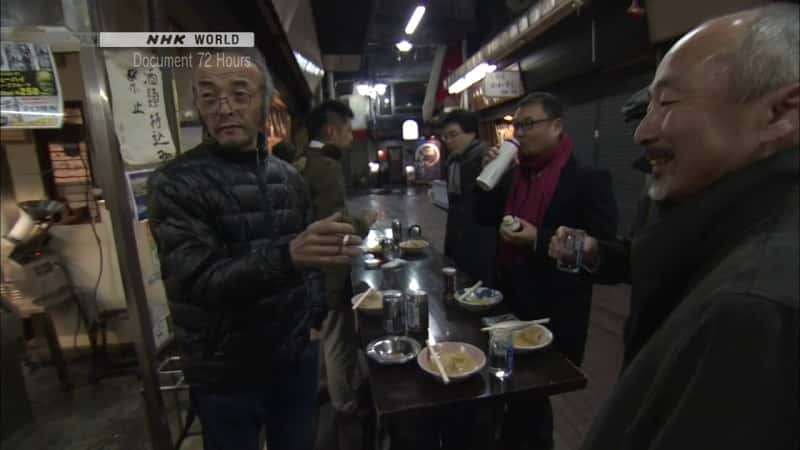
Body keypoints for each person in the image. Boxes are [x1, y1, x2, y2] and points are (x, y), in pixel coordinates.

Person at [548, 5, 799, 449]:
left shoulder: (755, 307)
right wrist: (598, 254)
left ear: (781, 113)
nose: (643, 133)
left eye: (666, 102)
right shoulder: (709, 215)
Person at [147, 47, 363, 450]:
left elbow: (312, 258)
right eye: (209, 96)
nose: (224, 107)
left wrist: (314, 319)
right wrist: (287, 257)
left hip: (294, 358)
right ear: (198, 106)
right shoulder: (174, 183)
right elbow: (196, 279)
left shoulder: (288, 177)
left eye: (240, 94)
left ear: (265, 104)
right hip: (224, 371)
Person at [479, 92, 618, 449]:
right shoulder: (514, 173)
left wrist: (538, 240)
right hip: (508, 300)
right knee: (509, 391)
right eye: (516, 125)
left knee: (531, 400)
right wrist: (490, 173)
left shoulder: (588, 178)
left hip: (552, 311)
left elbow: (603, 252)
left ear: (557, 126)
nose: (519, 134)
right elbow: (484, 217)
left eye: (528, 125)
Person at [296, 99, 377, 450]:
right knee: (339, 347)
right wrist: (364, 221)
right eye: (347, 128)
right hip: (327, 274)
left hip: (308, 274)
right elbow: (335, 229)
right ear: (330, 130)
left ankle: (333, 402)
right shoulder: (325, 166)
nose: (351, 135)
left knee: (327, 343)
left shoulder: (301, 162)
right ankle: (347, 417)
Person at [440, 109, 497, 283]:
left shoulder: (487, 158)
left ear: (471, 132)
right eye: (445, 136)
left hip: (481, 239)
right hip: (456, 235)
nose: (448, 141)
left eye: (453, 135)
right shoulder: (453, 161)